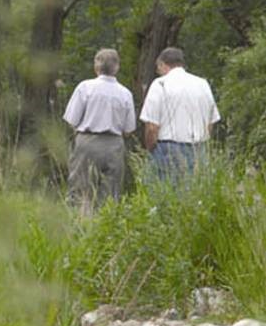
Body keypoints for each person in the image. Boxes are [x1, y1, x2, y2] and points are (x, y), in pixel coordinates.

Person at [62, 49, 136, 210]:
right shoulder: (125, 94)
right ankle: (105, 227)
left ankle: (80, 226)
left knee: (81, 189)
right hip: (114, 145)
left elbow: (71, 119)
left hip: (87, 142)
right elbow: (129, 129)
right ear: (117, 68)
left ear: (96, 66)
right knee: (111, 191)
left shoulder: (85, 87)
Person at [139, 47, 220, 182]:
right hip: (199, 148)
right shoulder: (202, 84)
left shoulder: (160, 84)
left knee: (163, 195)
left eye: (158, 68)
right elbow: (210, 122)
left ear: (163, 64)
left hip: (167, 149)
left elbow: (152, 127)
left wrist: (150, 148)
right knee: (195, 194)